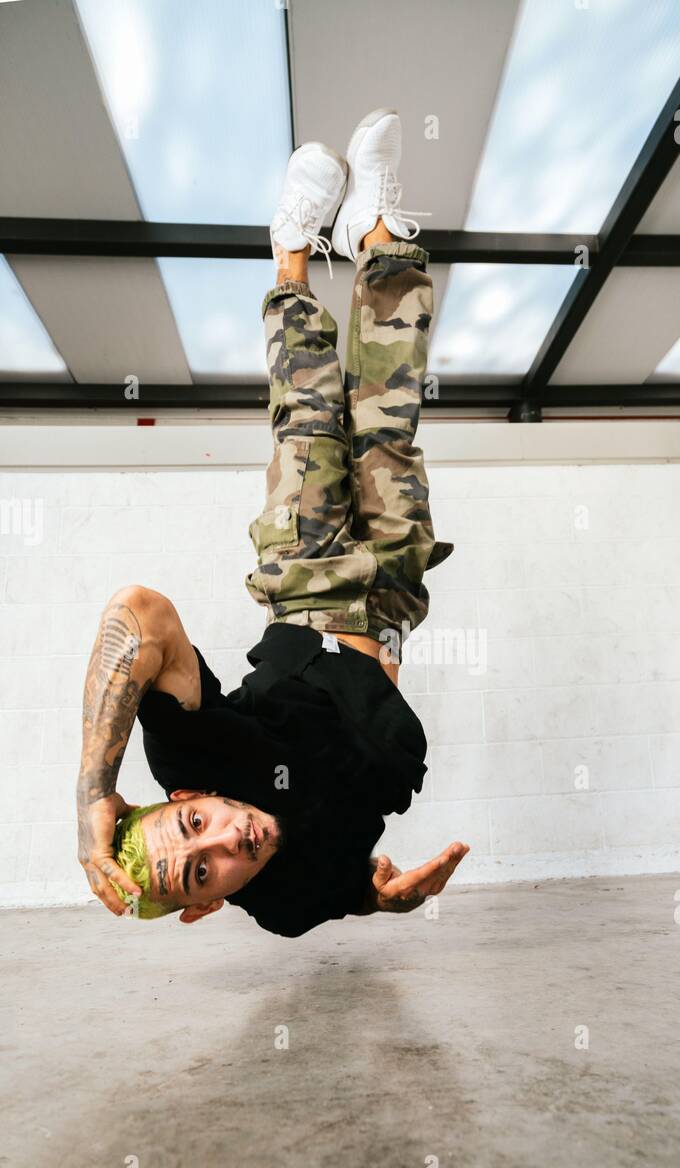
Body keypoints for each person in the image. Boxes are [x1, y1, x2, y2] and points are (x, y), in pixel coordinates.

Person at [75, 109, 469, 938]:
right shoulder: (287, 906)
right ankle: (380, 232)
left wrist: (92, 796)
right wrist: (388, 896)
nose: (226, 838)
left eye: (193, 826)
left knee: (313, 416)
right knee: (389, 424)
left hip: (309, 579)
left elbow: (140, 611)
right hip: (390, 605)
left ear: (186, 800)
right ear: (208, 903)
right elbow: (348, 886)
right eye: (203, 872)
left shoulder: (190, 757)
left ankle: (291, 251)